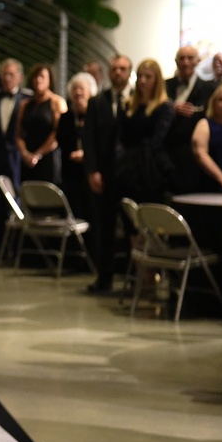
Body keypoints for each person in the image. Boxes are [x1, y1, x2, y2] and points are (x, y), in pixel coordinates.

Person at [83, 54, 133, 293]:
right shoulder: (97, 101)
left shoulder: (137, 99)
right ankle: (104, 279)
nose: (118, 73)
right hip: (105, 174)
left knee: (132, 228)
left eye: (123, 68)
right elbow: (89, 140)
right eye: (114, 68)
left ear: (129, 71)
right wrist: (92, 170)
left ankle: (133, 280)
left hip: (130, 175)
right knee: (104, 229)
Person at [0, 58, 29, 259]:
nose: (7, 78)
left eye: (12, 74)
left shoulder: (27, 100)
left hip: (19, 161)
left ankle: (17, 251)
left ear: (20, 77)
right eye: (4, 74)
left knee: (18, 204)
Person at [116, 58, 174, 205]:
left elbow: (157, 140)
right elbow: (120, 136)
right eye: (140, 76)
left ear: (157, 80)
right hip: (127, 167)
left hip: (150, 168)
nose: (142, 80)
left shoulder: (164, 106)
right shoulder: (127, 104)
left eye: (148, 77)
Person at [164, 45, 217, 194]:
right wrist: (171, 110)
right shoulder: (163, 86)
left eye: (190, 58)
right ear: (176, 62)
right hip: (166, 154)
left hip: (194, 158)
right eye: (182, 58)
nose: (186, 62)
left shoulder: (209, 89)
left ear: (198, 61)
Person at [16, 63, 67, 185]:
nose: (38, 80)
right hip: (28, 159)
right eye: (36, 77)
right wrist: (25, 154)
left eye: (42, 77)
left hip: (48, 158)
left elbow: (58, 133)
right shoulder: (25, 105)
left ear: (49, 80)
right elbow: (18, 133)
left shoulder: (56, 102)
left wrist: (38, 154)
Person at [57, 72, 97, 223]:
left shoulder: (95, 115)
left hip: (90, 170)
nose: (78, 92)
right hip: (70, 171)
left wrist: (86, 154)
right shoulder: (66, 117)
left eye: (81, 89)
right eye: (75, 89)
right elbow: (61, 140)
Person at [192, 82, 222, 192]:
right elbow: (200, 153)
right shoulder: (204, 124)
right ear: (213, 103)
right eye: (221, 100)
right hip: (210, 185)